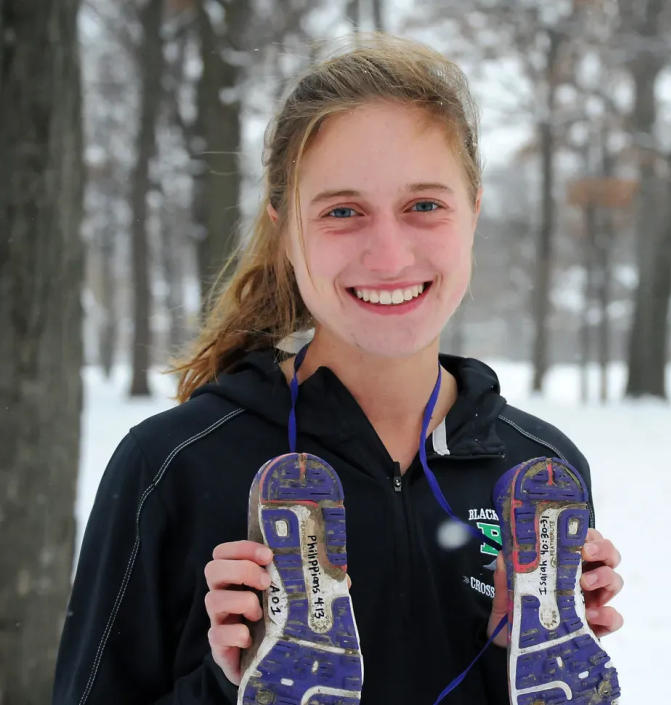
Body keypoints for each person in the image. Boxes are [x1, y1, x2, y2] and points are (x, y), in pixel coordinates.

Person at [53, 34, 624, 705]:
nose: (387, 256)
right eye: (342, 212)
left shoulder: (539, 471)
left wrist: (510, 655)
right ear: (284, 228)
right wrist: (225, 681)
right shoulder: (174, 465)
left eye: (423, 205)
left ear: (472, 208)